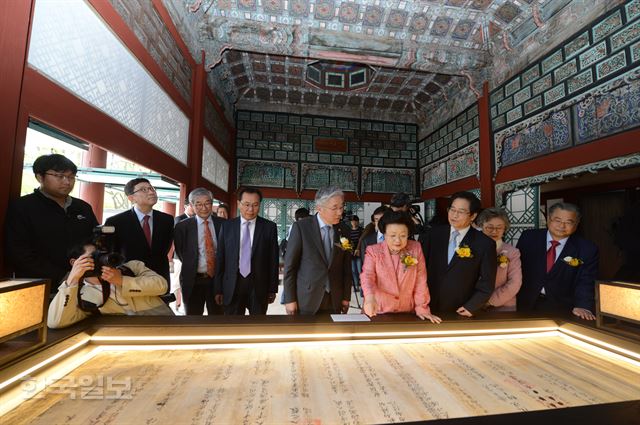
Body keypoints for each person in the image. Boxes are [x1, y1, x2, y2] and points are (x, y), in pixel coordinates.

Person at [4, 154, 98, 294]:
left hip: (83, 285)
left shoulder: (83, 207)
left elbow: (95, 240)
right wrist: (63, 276)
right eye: (59, 176)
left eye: (71, 177)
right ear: (40, 177)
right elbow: (19, 252)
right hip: (39, 288)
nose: (67, 182)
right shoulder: (23, 207)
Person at [47, 242, 172, 328]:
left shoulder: (132, 268)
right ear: (75, 262)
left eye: (101, 256)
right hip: (127, 338)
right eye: (93, 257)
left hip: (166, 325)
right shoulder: (81, 294)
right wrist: (73, 279)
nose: (99, 261)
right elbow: (56, 322)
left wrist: (122, 280)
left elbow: (162, 286)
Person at [419, 191, 497, 316]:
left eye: (460, 212)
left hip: (461, 309)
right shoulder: (432, 235)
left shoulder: (484, 244)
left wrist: (472, 306)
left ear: (472, 216)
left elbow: (487, 282)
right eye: (452, 209)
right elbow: (419, 270)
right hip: (427, 305)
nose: (454, 215)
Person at [517, 202, 598, 320]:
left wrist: (583, 306)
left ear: (576, 224)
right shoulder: (529, 237)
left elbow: (586, 280)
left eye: (568, 222)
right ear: (548, 219)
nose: (562, 226)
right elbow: (516, 268)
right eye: (557, 220)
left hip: (562, 307)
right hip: (524, 302)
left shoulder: (587, 248)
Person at [361, 211, 441, 323]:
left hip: (406, 311)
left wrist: (422, 308)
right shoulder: (373, 250)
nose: (398, 240)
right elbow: (367, 276)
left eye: (403, 236)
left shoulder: (415, 248)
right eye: (393, 235)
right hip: (378, 310)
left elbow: (420, 280)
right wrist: (369, 298)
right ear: (384, 233)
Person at [283, 186, 352, 315]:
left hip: (334, 297)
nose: (339, 212)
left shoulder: (344, 230)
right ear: (319, 208)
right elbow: (290, 267)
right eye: (334, 208)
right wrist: (290, 299)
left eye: (341, 207)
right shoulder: (301, 228)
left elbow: (346, 267)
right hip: (307, 298)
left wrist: (346, 297)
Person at [214, 187, 279, 315]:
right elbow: (221, 258)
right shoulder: (227, 226)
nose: (251, 209)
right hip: (232, 284)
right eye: (247, 204)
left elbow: (273, 259)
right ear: (239, 204)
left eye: (255, 205)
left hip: (259, 286)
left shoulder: (269, 227)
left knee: (257, 326)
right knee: (233, 326)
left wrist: (272, 288)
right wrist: (218, 288)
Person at [104, 178, 174, 286]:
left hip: (159, 280)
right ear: (131, 198)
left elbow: (164, 249)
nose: (151, 192)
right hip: (129, 280)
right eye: (144, 190)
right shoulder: (116, 222)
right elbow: (112, 254)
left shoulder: (167, 220)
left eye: (151, 188)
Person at [174, 188, 224, 315]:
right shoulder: (182, 226)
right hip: (193, 280)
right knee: (193, 320)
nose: (204, 207)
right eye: (198, 204)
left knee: (219, 318)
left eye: (207, 203)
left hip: (218, 281)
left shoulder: (224, 224)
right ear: (191, 205)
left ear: (212, 204)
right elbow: (181, 253)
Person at [476, 208, 522, 311]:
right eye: (489, 227)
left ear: (504, 229)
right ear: (481, 226)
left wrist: (488, 301)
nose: (494, 231)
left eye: (499, 227)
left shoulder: (512, 252)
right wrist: (474, 302)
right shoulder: (472, 249)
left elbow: (515, 282)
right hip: (471, 305)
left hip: (503, 306)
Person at [348, 215, 363, 290]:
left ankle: (362, 286)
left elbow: (362, 242)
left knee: (360, 269)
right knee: (353, 270)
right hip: (351, 253)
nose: (353, 222)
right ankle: (356, 285)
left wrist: (359, 249)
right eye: (352, 221)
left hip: (359, 253)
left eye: (355, 221)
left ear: (358, 221)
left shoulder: (361, 230)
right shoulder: (349, 231)